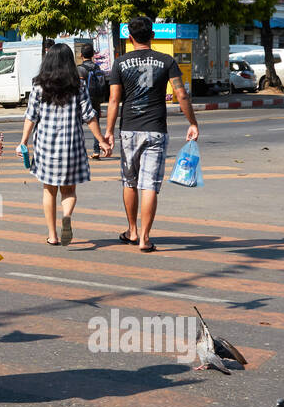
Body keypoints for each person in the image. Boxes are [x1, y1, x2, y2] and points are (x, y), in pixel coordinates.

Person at [103, 15, 200, 253]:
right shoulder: (166, 61)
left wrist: (108, 132)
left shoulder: (120, 62)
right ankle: (145, 239)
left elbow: (114, 100)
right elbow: (182, 95)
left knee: (129, 181)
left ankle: (132, 231)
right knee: (149, 185)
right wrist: (192, 122)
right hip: (155, 129)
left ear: (129, 36)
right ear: (153, 35)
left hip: (128, 129)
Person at [18, 44, 111, 246]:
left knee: (49, 191)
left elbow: (31, 117)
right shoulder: (78, 86)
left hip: (45, 146)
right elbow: (89, 116)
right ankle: (66, 215)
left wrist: (23, 141)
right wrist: (102, 141)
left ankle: (52, 235)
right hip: (72, 146)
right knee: (68, 191)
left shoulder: (39, 86)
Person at [78, 43, 109, 159]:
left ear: (81, 55)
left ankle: (79, 151)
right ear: (93, 55)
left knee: (77, 126)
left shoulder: (80, 69)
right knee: (96, 126)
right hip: (96, 101)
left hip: (83, 102)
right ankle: (96, 151)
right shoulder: (97, 67)